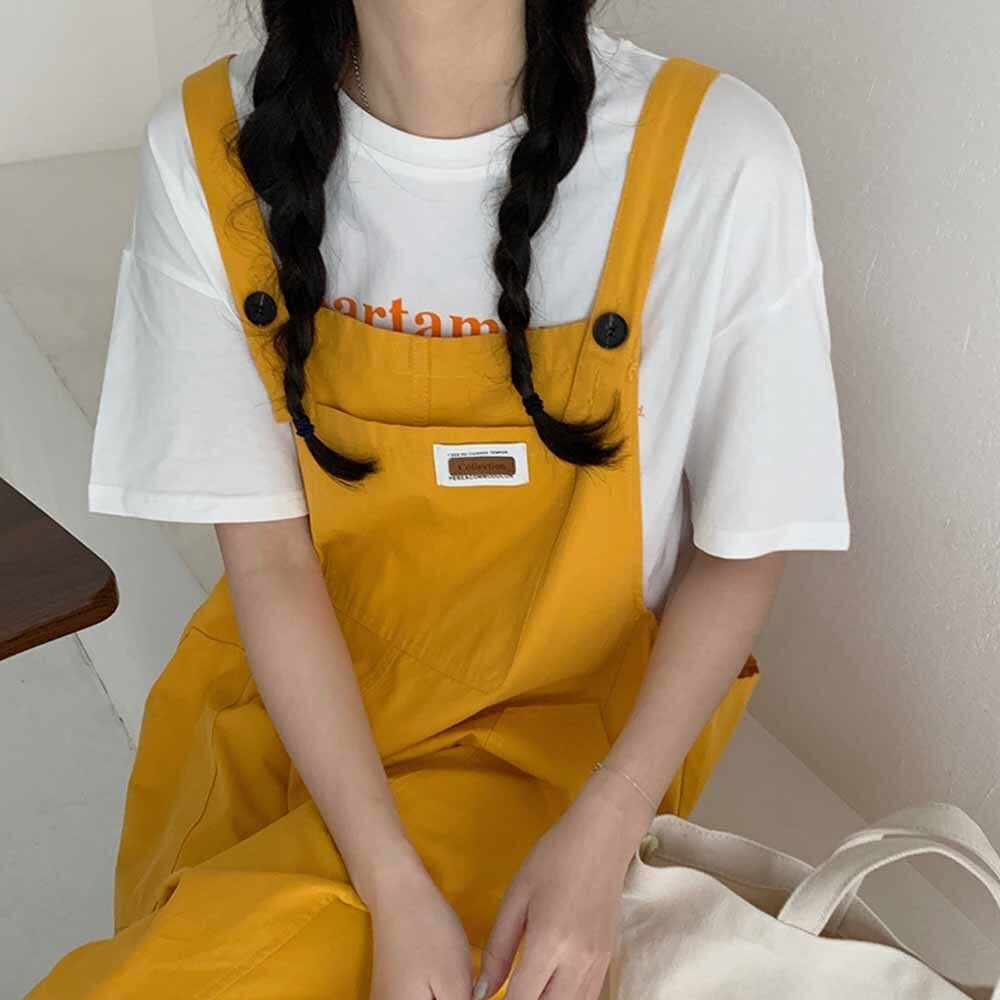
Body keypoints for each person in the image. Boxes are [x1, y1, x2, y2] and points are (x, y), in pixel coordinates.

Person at [27, 2, 850, 998]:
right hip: (289, 725)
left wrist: (610, 821)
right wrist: (391, 883)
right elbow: (271, 561)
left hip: (558, 768)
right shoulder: (206, 148)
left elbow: (744, 546)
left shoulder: (714, 156)